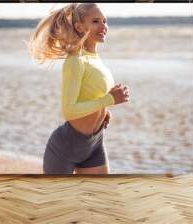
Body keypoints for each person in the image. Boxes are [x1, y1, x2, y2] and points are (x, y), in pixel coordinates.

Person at [28, 3, 130, 174]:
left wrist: (104, 111)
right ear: (79, 27)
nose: (103, 26)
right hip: (65, 147)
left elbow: (91, 95)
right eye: (96, 21)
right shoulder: (75, 61)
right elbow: (69, 111)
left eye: (105, 21)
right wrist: (109, 100)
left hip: (95, 144)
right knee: (60, 200)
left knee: (101, 197)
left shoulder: (96, 59)